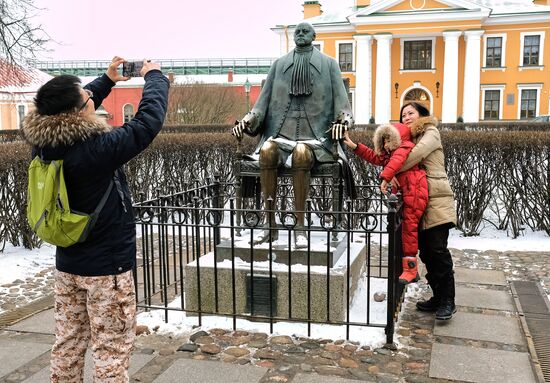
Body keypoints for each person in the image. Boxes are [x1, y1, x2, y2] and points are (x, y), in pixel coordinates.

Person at [21, 57, 170, 381]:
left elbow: (74, 104)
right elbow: (147, 124)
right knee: (111, 350)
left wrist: (107, 79)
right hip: (107, 270)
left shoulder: (42, 143)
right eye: (87, 98)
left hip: (69, 266)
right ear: (78, 112)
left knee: (68, 344)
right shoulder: (95, 150)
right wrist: (154, 77)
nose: (91, 98)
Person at [232, 22, 353, 248]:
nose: (299, 34)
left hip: (317, 139)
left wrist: (342, 122)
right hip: (281, 136)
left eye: (305, 31)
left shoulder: (329, 65)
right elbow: (260, 106)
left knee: (301, 153)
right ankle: (269, 226)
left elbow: (344, 107)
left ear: (314, 36)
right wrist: (247, 120)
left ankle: (300, 227)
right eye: (296, 31)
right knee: (267, 150)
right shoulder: (279, 65)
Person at [343, 124, 428, 284]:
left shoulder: (404, 147)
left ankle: (411, 269)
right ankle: (407, 267)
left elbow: (396, 161)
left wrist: (386, 177)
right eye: (383, 142)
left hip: (414, 191)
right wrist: (355, 146)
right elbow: (375, 157)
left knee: (409, 230)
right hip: (408, 191)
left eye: (388, 140)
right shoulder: (391, 152)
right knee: (404, 231)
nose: (386, 145)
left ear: (398, 139)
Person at [397, 102, 457, 320]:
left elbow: (414, 156)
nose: (406, 117)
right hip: (416, 200)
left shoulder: (430, 132)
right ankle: (438, 298)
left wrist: (390, 170)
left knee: (438, 250)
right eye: (403, 115)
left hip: (436, 199)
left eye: (411, 113)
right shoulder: (409, 139)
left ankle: (448, 301)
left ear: (422, 115)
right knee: (427, 253)